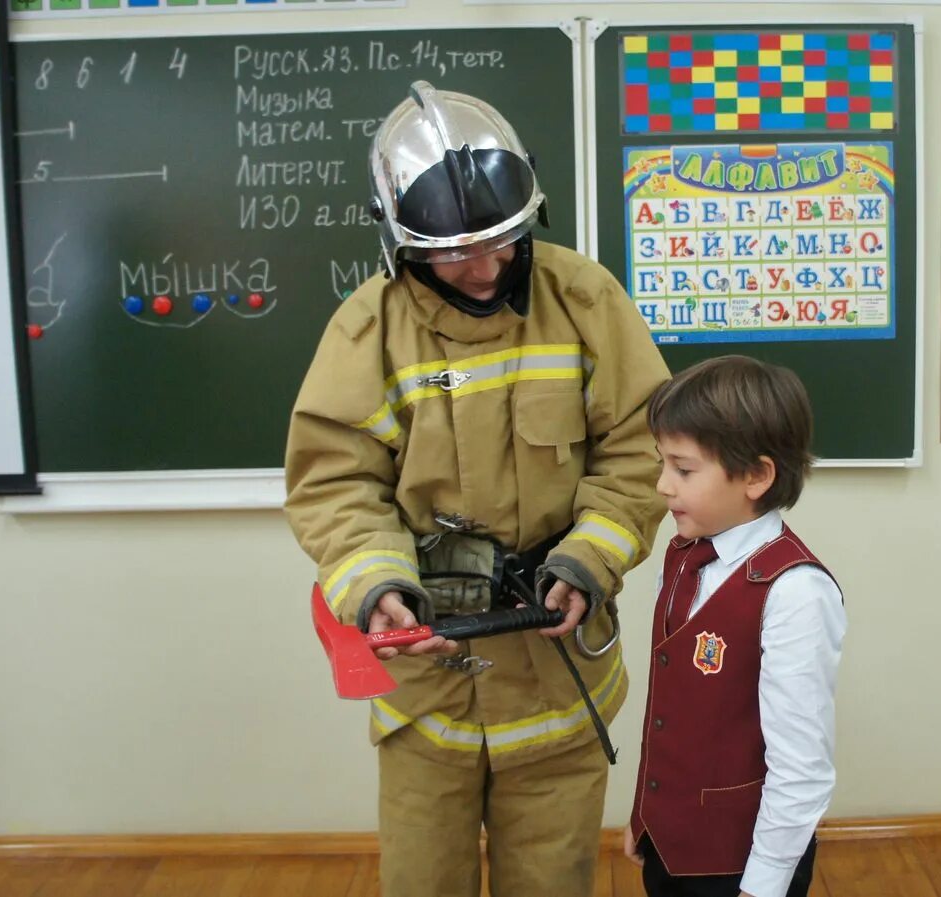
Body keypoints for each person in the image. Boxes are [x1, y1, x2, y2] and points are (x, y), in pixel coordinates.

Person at [284, 80, 669, 897]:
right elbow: (334, 483)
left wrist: (591, 558)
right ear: (399, 241)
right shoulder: (366, 331)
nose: (485, 266)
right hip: (429, 688)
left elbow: (641, 449)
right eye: (455, 250)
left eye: (501, 240)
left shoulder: (587, 302)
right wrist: (376, 586)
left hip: (559, 671)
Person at [622, 355, 846, 897]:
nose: (662, 486)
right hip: (669, 841)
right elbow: (670, 711)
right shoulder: (682, 555)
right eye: (662, 464)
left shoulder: (794, 590)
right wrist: (644, 815)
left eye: (683, 469)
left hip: (741, 864)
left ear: (756, 476)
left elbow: (801, 764)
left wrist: (764, 884)